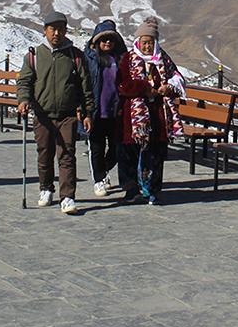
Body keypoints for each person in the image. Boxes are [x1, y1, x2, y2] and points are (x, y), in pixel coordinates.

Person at [16, 12, 95, 214]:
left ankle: (67, 196)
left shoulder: (75, 56)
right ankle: (46, 188)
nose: (57, 33)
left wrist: (87, 113)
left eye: (61, 29)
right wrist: (24, 100)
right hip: (42, 114)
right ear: (45, 30)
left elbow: (86, 87)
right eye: (53, 29)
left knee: (67, 155)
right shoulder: (34, 56)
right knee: (44, 153)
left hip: (67, 114)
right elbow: (24, 81)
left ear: (66, 30)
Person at [116, 16, 186, 205]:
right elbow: (123, 83)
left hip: (158, 116)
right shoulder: (128, 58)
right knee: (130, 154)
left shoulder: (163, 59)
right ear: (138, 42)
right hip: (134, 119)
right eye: (144, 42)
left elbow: (177, 77)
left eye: (150, 43)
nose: (147, 46)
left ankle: (152, 189)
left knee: (155, 154)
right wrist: (144, 88)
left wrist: (169, 88)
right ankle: (131, 188)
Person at [84, 20, 128, 197]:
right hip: (96, 111)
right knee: (97, 147)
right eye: (104, 40)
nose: (108, 43)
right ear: (96, 41)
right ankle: (99, 180)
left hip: (117, 111)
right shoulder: (89, 60)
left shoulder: (122, 59)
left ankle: (103, 169)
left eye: (111, 39)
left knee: (118, 148)